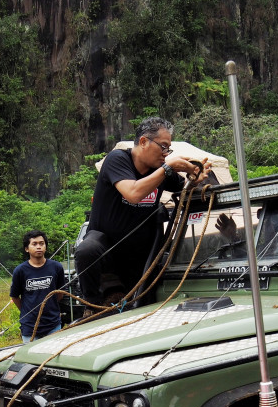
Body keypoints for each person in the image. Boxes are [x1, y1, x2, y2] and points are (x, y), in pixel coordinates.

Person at [76, 116, 211, 309]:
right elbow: (133, 193)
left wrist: (196, 179)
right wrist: (168, 168)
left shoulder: (160, 170)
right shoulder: (118, 159)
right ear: (143, 142)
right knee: (86, 250)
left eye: (168, 149)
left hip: (141, 255)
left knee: (144, 302)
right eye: (163, 147)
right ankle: (92, 306)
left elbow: (184, 190)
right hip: (107, 250)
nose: (166, 153)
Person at [10, 230, 66, 342]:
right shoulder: (20, 271)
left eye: (41, 243)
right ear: (27, 248)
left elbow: (60, 293)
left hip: (53, 324)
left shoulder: (56, 267)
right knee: (32, 358)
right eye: (34, 244)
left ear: (45, 246)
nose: (38, 247)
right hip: (30, 327)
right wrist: (28, 311)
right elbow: (15, 297)